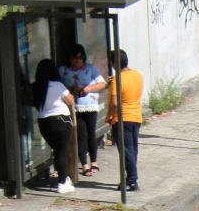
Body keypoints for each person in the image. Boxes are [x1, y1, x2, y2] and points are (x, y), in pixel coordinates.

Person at [59, 44, 106, 177]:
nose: (78, 60)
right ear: (70, 58)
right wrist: (71, 89)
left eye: (80, 57)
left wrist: (87, 89)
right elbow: (58, 85)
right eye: (75, 57)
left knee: (91, 133)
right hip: (75, 107)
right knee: (81, 135)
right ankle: (84, 164)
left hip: (90, 105)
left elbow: (102, 83)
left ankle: (94, 161)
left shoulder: (90, 68)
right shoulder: (64, 70)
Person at [31, 59, 76, 194]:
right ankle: (62, 183)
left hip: (44, 122)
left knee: (57, 151)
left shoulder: (36, 86)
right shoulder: (57, 85)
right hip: (61, 120)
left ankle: (64, 178)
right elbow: (70, 100)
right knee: (62, 151)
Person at [106, 49, 144, 192]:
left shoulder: (117, 80)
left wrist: (109, 115)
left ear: (114, 63)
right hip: (136, 117)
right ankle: (130, 179)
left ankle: (132, 181)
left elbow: (115, 103)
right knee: (132, 149)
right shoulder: (137, 74)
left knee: (126, 151)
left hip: (122, 118)